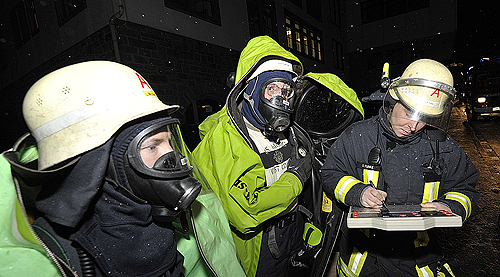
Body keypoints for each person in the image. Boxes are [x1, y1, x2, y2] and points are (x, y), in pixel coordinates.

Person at [0, 60, 245, 277]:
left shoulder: (171, 225)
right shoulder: (43, 261)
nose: (174, 158)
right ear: (96, 166)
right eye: (152, 146)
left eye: (172, 142)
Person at [320, 59, 480, 276]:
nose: (414, 126)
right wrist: (357, 192)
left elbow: (466, 186)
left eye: (423, 117)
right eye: (410, 113)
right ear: (394, 100)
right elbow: (330, 173)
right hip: (364, 261)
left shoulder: (443, 147)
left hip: (417, 260)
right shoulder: (356, 136)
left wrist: (451, 205)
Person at [192, 36, 313, 277]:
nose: (281, 100)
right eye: (272, 89)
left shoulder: (286, 131)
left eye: (286, 91)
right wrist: (296, 178)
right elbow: (247, 211)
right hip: (260, 247)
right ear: (251, 91)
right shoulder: (226, 139)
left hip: (290, 231)